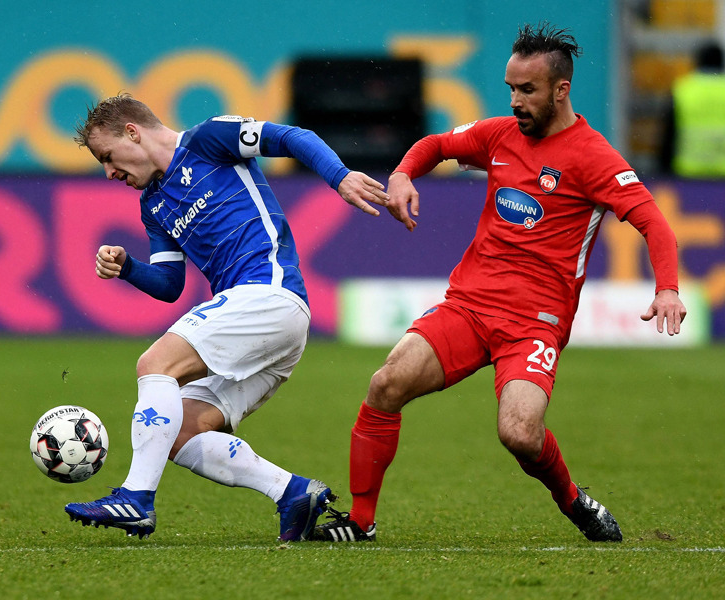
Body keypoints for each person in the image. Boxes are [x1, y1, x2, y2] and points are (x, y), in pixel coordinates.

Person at [310, 22, 687, 543]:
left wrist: (666, 287)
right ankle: (360, 521)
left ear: (561, 90)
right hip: (468, 307)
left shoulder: (594, 156)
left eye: (526, 90)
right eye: (511, 88)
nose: (515, 100)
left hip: (536, 322)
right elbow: (437, 143)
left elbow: (654, 221)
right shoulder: (500, 135)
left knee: (519, 434)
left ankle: (574, 501)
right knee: (385, 384)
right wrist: (401, 175)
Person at [64, 93, 389, 540]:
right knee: (180, 431)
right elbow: (169, 285)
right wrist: (128, 268)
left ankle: (136, 497)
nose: (109, 172)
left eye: (108, 156)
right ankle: (293, 493)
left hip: (268, 295)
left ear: (132, 133)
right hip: (265, 324)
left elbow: (294, 137)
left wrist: (340, 177)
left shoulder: (209, 139)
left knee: (154, 365)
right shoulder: (154, 205)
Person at [660, 41, 725, 177]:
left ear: (698, 62)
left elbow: (669, 132)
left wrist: (664, 168)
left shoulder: (683, 89)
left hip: (689, 171)